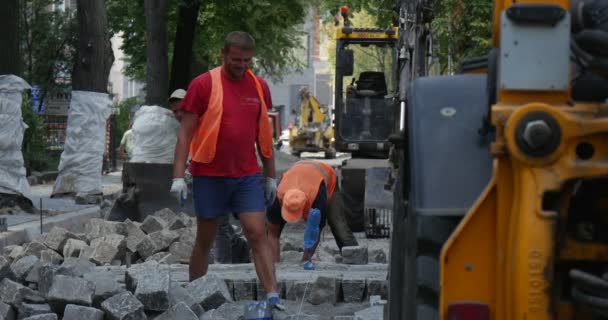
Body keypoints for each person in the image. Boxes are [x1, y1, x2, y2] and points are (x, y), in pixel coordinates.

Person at [169, 31, 280, 306]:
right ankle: (196, 295)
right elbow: (185, 134)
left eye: (246, 60)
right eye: (236, 60)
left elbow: (264, 136)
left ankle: (273, 294)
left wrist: (270, 176)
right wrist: (178, 176)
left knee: (256, 231)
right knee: (205, 238)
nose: (241, 65)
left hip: (246, 175)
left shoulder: (259, 87)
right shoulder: (203, 85)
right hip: (210, 175)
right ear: (223, 54)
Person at [168, 88, 244, 264]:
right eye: (175, 112)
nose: (179, 114)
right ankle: (238, 248)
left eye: (182, 110)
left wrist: (189, 171)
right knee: (214, 222)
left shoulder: (205, 123)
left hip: (222, 176)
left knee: (219, 223)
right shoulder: (188, 127)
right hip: (206, 179)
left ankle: (223, 265)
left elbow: (210, 151)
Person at [266, 160, 358, 265]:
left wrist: (305, 260)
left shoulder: (318, 197)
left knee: (338, 224)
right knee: (272, 226)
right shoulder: (277, 198)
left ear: (305, 206)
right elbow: (272, 233)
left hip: (325, 176)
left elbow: (315, 231)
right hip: (300, 170)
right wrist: (274, 264)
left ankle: (356, 258)